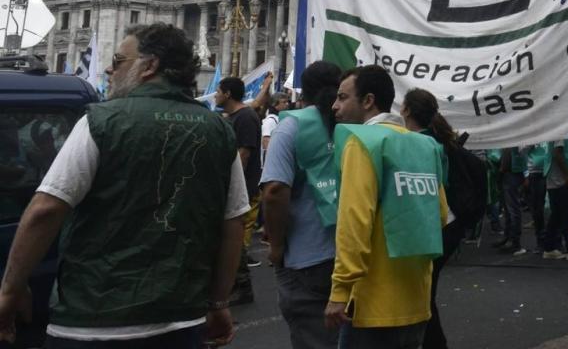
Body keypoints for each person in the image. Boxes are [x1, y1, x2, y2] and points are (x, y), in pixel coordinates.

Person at [0, 23, 247, 348]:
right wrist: (218, 303)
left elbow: (46, 210)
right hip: (181, 320)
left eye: (118, 61)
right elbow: (234, 223)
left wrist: (9, 291)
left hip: (94, 319)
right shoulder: (218, 130)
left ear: (149, 66)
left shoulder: (102, 121)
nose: (108, 69)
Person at [324, 65, 448, 349]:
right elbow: (439, 215)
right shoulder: (425, 145)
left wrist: (340, 290)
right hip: (417, 301)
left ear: (368, 101)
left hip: (372, 308)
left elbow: (354, 222)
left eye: (342, 97)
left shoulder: (362, 142)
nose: (334, 106)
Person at [260, 60, 343, 349]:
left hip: (307, 255)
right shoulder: (351, 125)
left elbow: (274, 191)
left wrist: (277, 246)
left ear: (302, 90)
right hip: (352, 252)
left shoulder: (291, 126)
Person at [399, 87, 474, 349]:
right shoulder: (436, 140)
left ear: (406, 110)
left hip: (439, 224)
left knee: (423, 293)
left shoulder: (421, 143)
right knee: (423, 291)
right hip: (448, 224)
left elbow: (433, 189)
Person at [215, 75, 263, 300]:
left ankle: (242, 286)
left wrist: (233, 185)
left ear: (227, 94)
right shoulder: (232, 116)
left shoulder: (245, 117)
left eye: (218, 91)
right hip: (234, 186)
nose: (215, 95)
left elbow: (243, 154)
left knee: (237, 240)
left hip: (244, 188)